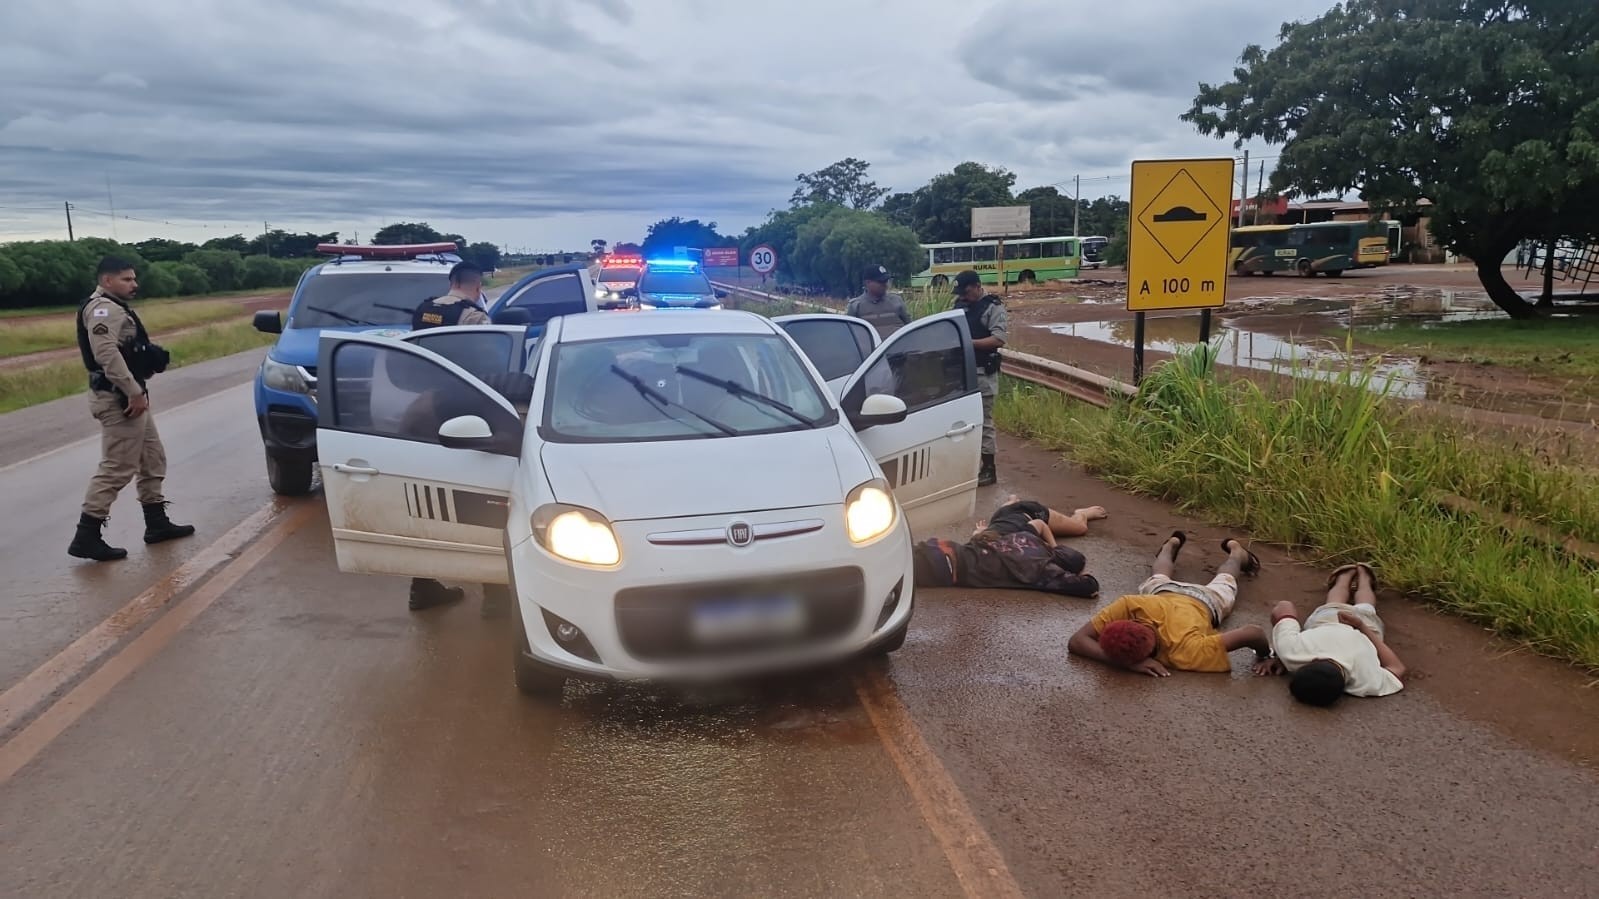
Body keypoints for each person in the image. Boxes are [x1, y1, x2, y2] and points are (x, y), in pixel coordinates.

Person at [68, 257, 195, 562]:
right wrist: (133, 391)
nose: (134, 284)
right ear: (107, 280)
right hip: (119, 398)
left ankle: (156, 523)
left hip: (130, 395)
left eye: (134, 279)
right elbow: (106, 354)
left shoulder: (116, 306)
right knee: (117, 467)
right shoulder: (103, 309)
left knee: (152, 458)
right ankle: (87, 535)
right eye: (126, 279)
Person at [404, 261, 507, 616]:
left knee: (421, 500)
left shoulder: (425, 310)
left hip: (424, 407)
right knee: (485, 496)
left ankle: (423, 585)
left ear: (452, 283)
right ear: (477, 286)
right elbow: (495, 368)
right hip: (468, 410)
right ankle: (495, 596)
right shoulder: (476, 318)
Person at [1068, 534, 1274, 676]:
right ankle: (1173, 544)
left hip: (1205, 600)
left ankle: (1236, 553)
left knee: (1226, 579)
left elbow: (1253, 634)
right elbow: (1076, 640)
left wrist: (1265, 655)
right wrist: (1265, 654)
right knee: (1159, 576)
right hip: (1162, 594)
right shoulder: (1130, 605)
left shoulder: (1184, 651)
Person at [1261, 563, 1406, 705]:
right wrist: (1281, 653)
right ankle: (1346, 576)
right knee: (1335, 601)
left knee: (1366, 606)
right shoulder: (1292, 652)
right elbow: (1284, 606)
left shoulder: (1364, 681)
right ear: (1313, 660)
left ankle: (1364, 578)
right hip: (1330, 620)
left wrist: (1362, 627)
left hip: (1364, 630)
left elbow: (1397, 668)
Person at [913, 496, 1107, 597]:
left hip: (1004, 518)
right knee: (1079, 527)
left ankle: (1012, 501)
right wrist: (1080, 572)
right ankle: (1082, 513)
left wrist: (1053, 547)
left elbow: (1038, 527)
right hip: (1033, 512)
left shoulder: (1023, 538)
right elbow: (1089, 586)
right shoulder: (1040, 570)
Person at [951, 269, 1007, 487]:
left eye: (966, 292)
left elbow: (999, 338)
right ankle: (967, 465)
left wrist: (968, 342)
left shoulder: (993, 306)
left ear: (976, 286)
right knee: (961, 423)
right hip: (961, 374)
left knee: (984, 423)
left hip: (983, 372)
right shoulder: (959, 305)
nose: (964, 297)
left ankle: (989, 469)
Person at [845, 264, 911, 340]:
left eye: (886, 281)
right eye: (880, 282)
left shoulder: (897, 301)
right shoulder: (855, 306)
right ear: (868, 283)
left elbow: (909, 327)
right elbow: (849, 336)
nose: (885, 285)